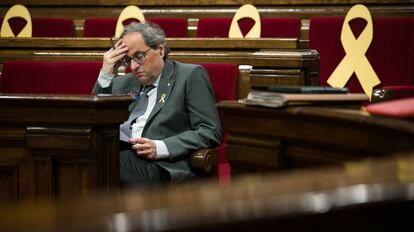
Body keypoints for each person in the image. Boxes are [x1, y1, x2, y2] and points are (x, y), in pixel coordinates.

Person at [92, 22, 222, 186]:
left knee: (105, 164)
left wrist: (161, 147)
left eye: (139, 57)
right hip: (119, 152)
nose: (133, 66)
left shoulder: (189, 76)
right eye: (128, 60)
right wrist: (106, 73)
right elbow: (94, 120)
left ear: (160, 50)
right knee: (89, 159)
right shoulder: (121, 83)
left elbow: (210, 130)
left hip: (161, 165)